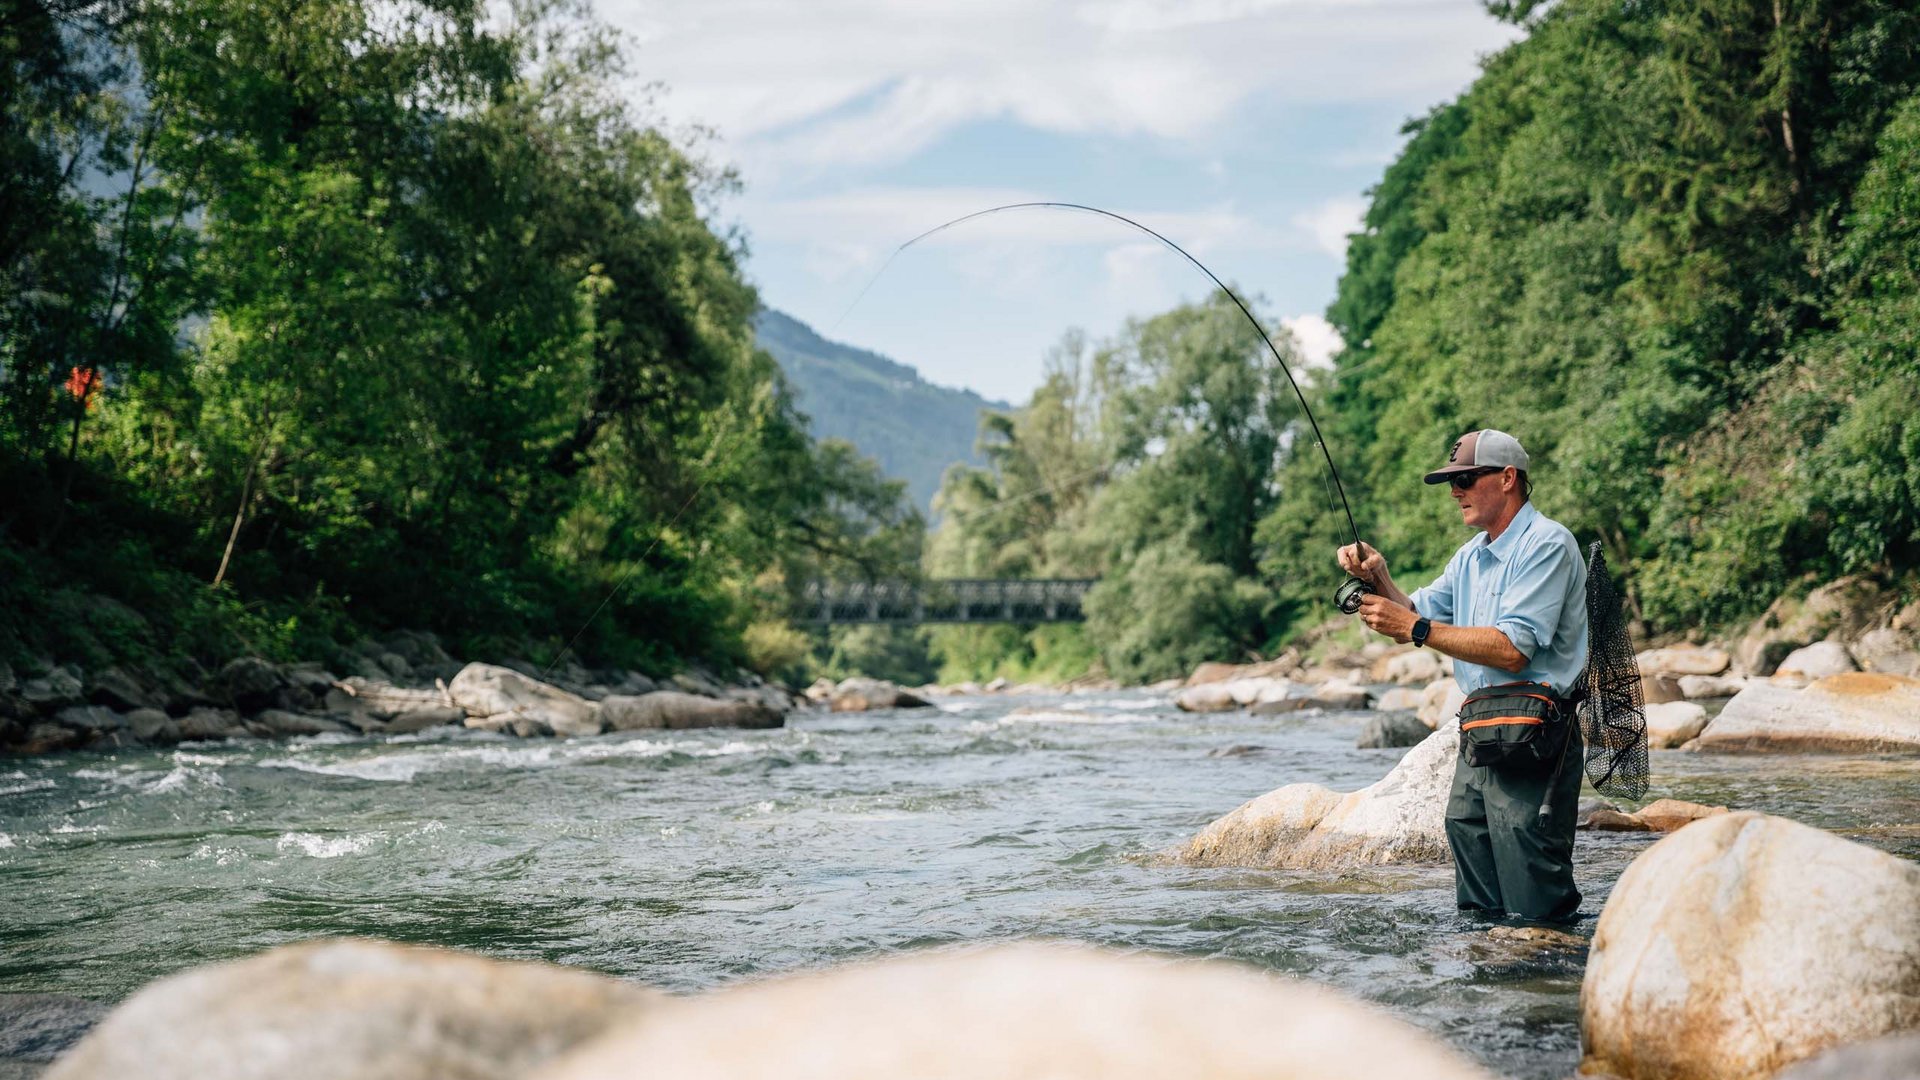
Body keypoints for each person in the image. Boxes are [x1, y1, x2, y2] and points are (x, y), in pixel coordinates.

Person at [1336, 429, 1589, 922]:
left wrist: (1416, 628)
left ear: (1508, 478)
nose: (1456, 492)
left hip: (1537, 732)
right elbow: (1416, 611)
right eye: (1453, 482)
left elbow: (1512, 649)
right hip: (1480, 729)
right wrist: (1380, 577)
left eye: (1467, 479)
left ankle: (1547, 981)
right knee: (1467, 838)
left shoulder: (1547, 544)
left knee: (1530, 875)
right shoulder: (1472, 554)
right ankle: (1485, 979)